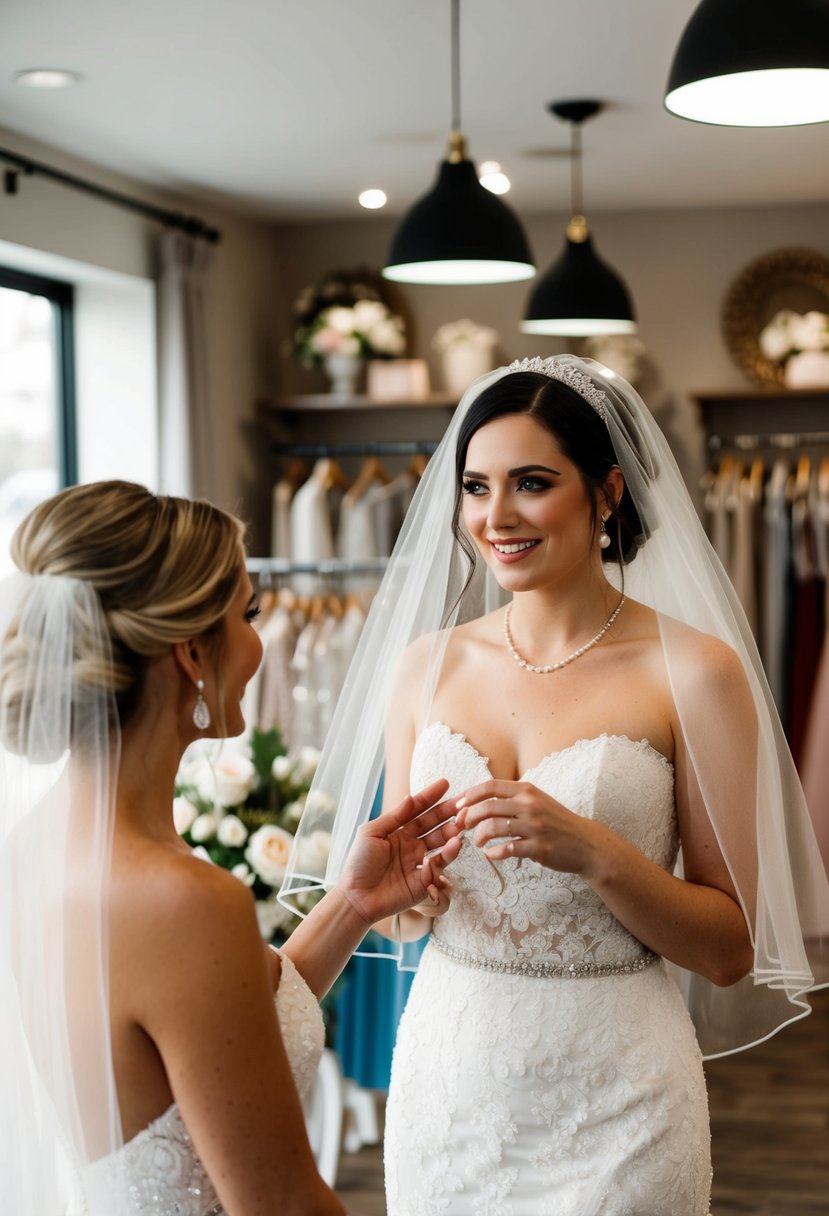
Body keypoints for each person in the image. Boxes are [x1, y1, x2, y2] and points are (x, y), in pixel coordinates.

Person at [282, 356, 829, 1215]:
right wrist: (395, 896)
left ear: (606, 493)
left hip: (619, 1093)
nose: (494, 517)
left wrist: (599, 854)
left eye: (530, 483)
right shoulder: (424, 668)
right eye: (475, 486)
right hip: (450, 1079)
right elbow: (418, 909)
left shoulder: (694, 671)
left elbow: (727, 951)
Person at [0, 480, 459, 1216]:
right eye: (248, 612)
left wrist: (353, 905)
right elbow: (283, 1206)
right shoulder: (180, 899)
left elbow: (221, 1030)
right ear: (190, 651)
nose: (257, 639)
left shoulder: (33, 847)